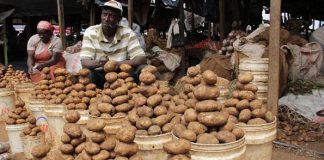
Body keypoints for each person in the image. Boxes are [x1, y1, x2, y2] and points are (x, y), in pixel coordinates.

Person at [80, 0, 146, 88]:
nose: (106, 19)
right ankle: (90, 97)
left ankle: (143, 94)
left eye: (111, 16)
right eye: (104, 14)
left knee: (143, 68)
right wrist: (99, 62)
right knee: (87, 72)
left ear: (119, 19)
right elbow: (84, 62)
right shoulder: (90, 32)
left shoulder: (127, 32)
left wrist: (119, 64)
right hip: (100, 75)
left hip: (123, 75)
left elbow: (141, 58)